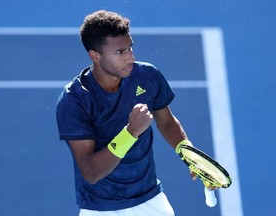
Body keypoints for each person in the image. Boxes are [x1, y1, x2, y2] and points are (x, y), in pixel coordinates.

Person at [56, 10, 195, 216]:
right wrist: (130, 133)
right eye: (120, 52)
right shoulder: (74, 100)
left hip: (151, 200)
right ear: (95, 55)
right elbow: (91, 172)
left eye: (130, 48)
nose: (130, 57)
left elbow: (166, 122)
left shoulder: (147, 75)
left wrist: (190, 156)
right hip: (101, 209)